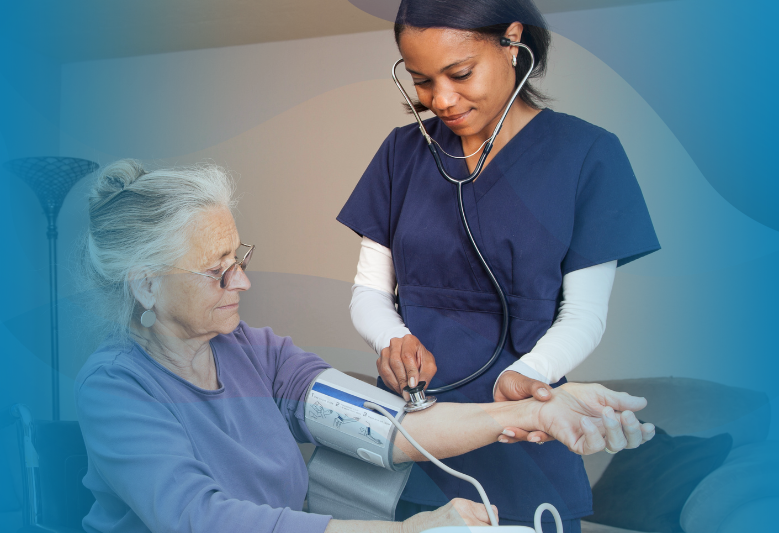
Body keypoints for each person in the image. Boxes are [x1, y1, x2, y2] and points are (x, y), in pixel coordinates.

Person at [75, 160, 655, 533]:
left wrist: (535, 409)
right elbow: (200, 519)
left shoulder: (257, 352)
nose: (243, 284)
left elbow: (385, 425)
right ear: (146, 284)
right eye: (215, 271)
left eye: (239, 260)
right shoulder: (115, 387)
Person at [337, 0, 661, 529]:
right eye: (421, 81)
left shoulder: (589, 155)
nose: (441, 99)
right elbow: (368, 292)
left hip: (520, 428)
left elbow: (583, 316)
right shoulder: (401, 153)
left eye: (459, 73)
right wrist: (390, 340)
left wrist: (527, 376)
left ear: (512, 42)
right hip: (412, 426)